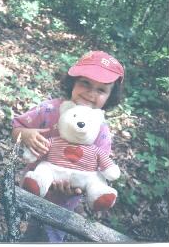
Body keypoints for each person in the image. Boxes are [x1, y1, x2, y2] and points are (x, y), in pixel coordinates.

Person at [12, 50, 124, 242]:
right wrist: (25, 134)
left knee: (47, 239)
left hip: (63, 205)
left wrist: (77, 190)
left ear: (110, 97)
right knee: (17, 229)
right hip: (30, 188)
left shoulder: (101, 131)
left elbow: (97, 174)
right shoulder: (50, 109)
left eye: (101, 90)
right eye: (85, 83)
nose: (91, 93)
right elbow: (16, 127)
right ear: (73, 81)